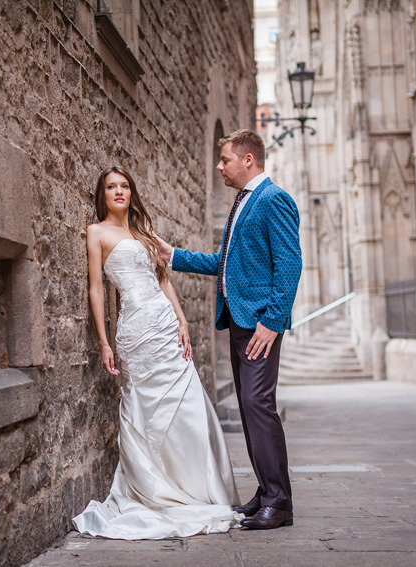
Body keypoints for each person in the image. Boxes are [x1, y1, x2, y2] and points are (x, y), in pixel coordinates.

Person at [72, 166, 242, 539]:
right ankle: (154, 486)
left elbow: (163, 278)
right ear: (103, 195)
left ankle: (196, 487)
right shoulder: (96, 233)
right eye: (111, 187)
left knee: (188, 402)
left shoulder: (144, 231)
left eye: (124, 186)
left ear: (132, 192)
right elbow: (97, 288)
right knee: (143, 408)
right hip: (135, 332)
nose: (119, 191)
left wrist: (182, 320)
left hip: (165, 325)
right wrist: (103, 341)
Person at [155, 129, 301, 530]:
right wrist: (174, 256)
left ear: (248, 159)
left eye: (225, 159)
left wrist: (272, 322)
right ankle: (268, 492)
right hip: (240, 322)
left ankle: (279, 502)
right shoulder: (244, 201)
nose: (219, 166)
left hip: (259, 325)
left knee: (258, 405)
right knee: (251, 407)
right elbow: (226, 263)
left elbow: (290, 265)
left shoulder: (273, 199)